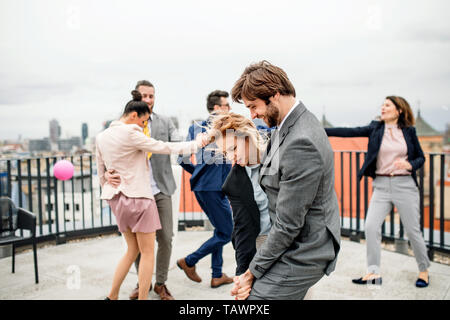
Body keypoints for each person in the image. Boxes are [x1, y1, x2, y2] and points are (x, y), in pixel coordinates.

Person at [229, 60, 341, 300]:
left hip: (306, 248)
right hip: (292, 239)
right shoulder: (290, 124)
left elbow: (288, 225)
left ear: (274, 95)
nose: (253, 115)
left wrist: (250, 272)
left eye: (253, 106)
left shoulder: (301, 141)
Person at [96, 90, 207, 300]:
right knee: (147, 252)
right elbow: (164, 147)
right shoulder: (131, 132)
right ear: (133, 116)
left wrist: (109, 178)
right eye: (143, 122)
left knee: (131, 251)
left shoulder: (102, 137)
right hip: (138, 199)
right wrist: (197, 144)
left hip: (116, 199)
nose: (144, 127)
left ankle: (112, 296)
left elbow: (101, 171)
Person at [325, 96, 430, 288]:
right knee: (371, 227)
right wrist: (320, 130)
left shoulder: (408, 131)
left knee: (413, 231)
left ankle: (424, 270)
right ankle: (373, 273)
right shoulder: (375, 128)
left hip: (404, 184)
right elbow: (349, 132)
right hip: (381, 185)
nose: (383, 107)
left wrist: (409, 164)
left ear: (399, 110)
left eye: (387, 105)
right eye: (382, 105)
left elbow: (421, 158)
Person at [106, 80, 182, 300]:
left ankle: (160, 283)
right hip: (135, 193)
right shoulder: (124, 126)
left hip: (160, 189)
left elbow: (176, 142)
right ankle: (143, 285)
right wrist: (106, 174)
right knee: (139, 245)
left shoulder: (164, 122)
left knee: (166, 238)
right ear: (135, 98)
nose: (149, 100)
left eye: (152, 96)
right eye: (145, 96)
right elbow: (111, 153)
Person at [176, 90, 234, 288]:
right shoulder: (224, 126)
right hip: (215, 188)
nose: (230, 109)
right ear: (217, 108)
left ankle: (217, 275)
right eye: (227, 105)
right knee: (227, 232)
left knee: (220, 230)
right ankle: (190, 261)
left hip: (204, 186)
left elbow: (181, 158)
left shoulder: (195, 127)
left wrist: (196, 173)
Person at [212, 113, 271, 276]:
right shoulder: (234, 183)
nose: (231, 157)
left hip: (295, 243)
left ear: (248, 136)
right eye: (226, 153)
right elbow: (243, 229)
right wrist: (241, 274)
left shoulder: (278, 158)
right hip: (263, 244)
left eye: (234, 148)